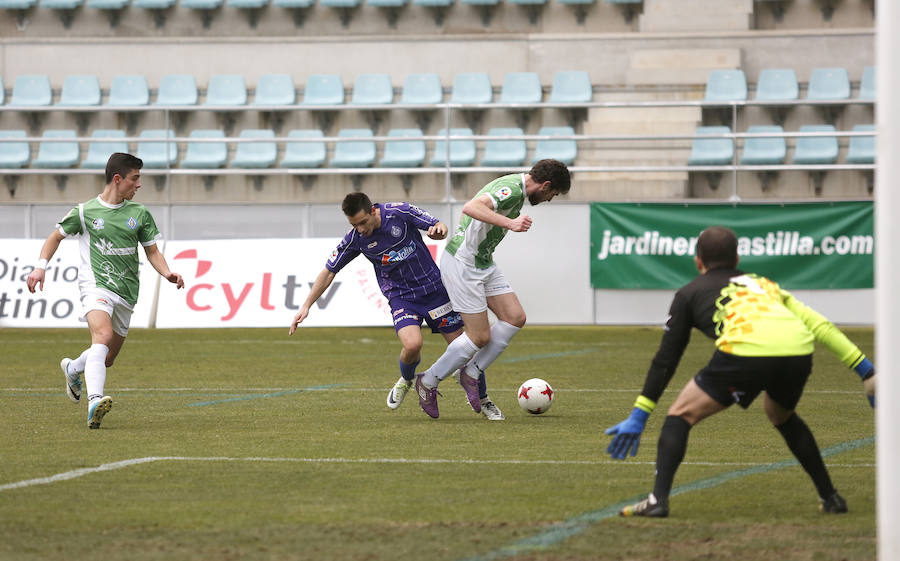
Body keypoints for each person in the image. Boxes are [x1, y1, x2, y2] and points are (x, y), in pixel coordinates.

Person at [605, 226, 877, 517]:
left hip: (746, 353)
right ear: (736, 258)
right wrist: (867, 371)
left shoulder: (688, 293)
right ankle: (830, 497)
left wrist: (640, 414)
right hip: (797, 351)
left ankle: (657, 501)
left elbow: (666, 359)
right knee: (781, 415)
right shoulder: (764, 284)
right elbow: (818, 324)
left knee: (680, 415)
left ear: (698, 261)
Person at [288, 192, 505, 420]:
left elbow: (438, 225)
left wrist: (439, 231)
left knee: (466, 350)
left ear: (373, 210)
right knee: (412, 345)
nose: (360, 229)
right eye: (354, 225)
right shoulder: (355, 239)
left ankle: (484, 399)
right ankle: (408, 380)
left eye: (362, 222)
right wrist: (306, 306)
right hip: (402, 298)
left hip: (435, 291)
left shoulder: (400, 212)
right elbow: (329, 271)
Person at [25, 152, 184, 429]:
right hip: (96, 285)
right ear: (118, 179)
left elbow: (152, 251)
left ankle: (73, 368)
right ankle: (94, 401)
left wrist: (167, 271)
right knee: (103, 334)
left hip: (126, 292)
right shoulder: (85, 212)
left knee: (106, 357)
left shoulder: (140, 214)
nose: (139, 185)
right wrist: (40, 267)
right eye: (135, 179)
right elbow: (56, 236)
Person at [413, 159, 572, 418]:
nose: (550, 199)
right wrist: (510, 223)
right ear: (545, 185)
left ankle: (471, 372)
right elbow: (471, 206)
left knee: (515, 317)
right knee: (479, 336)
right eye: (552, 194)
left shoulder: (516, 188)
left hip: (483, 262)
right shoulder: (513, 189)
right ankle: (428, 381)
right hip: (463, 264)